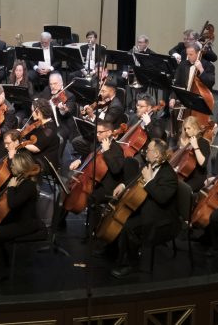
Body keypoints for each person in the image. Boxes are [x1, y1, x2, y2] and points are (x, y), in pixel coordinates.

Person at [109, 138, 179, 278]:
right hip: (148, 207)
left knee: (130, 227)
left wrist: (149, 181)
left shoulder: (169, 175)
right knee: (125, 218)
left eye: (149, 150)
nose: (146, 151)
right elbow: (136, 178)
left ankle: (133, 264)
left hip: (162, 217)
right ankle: (119, 255)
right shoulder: (151, 164)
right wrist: (123, 185)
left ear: (157, 154)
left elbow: (162, 198)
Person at [0, 150, 44, 283]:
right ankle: (2, 265)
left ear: (21, 167)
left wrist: (11, 188)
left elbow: (13, 204)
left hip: (26, 225)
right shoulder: (20, 181)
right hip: (18, 220)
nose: (11, 167)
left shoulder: (28, 185)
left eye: (14, 165)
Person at [68, 119, 125, 229]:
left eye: (100, 132)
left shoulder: (116, 148)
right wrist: (80, 160)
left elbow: (116, 169)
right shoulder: (97, 145)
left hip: (108, 185)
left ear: (109, 132)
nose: (97, 135)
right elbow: (90, 157)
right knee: (70, 188)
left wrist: (107, 151)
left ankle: (94, 230)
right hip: (96, 180)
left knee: (92, 198)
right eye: (96, 132)